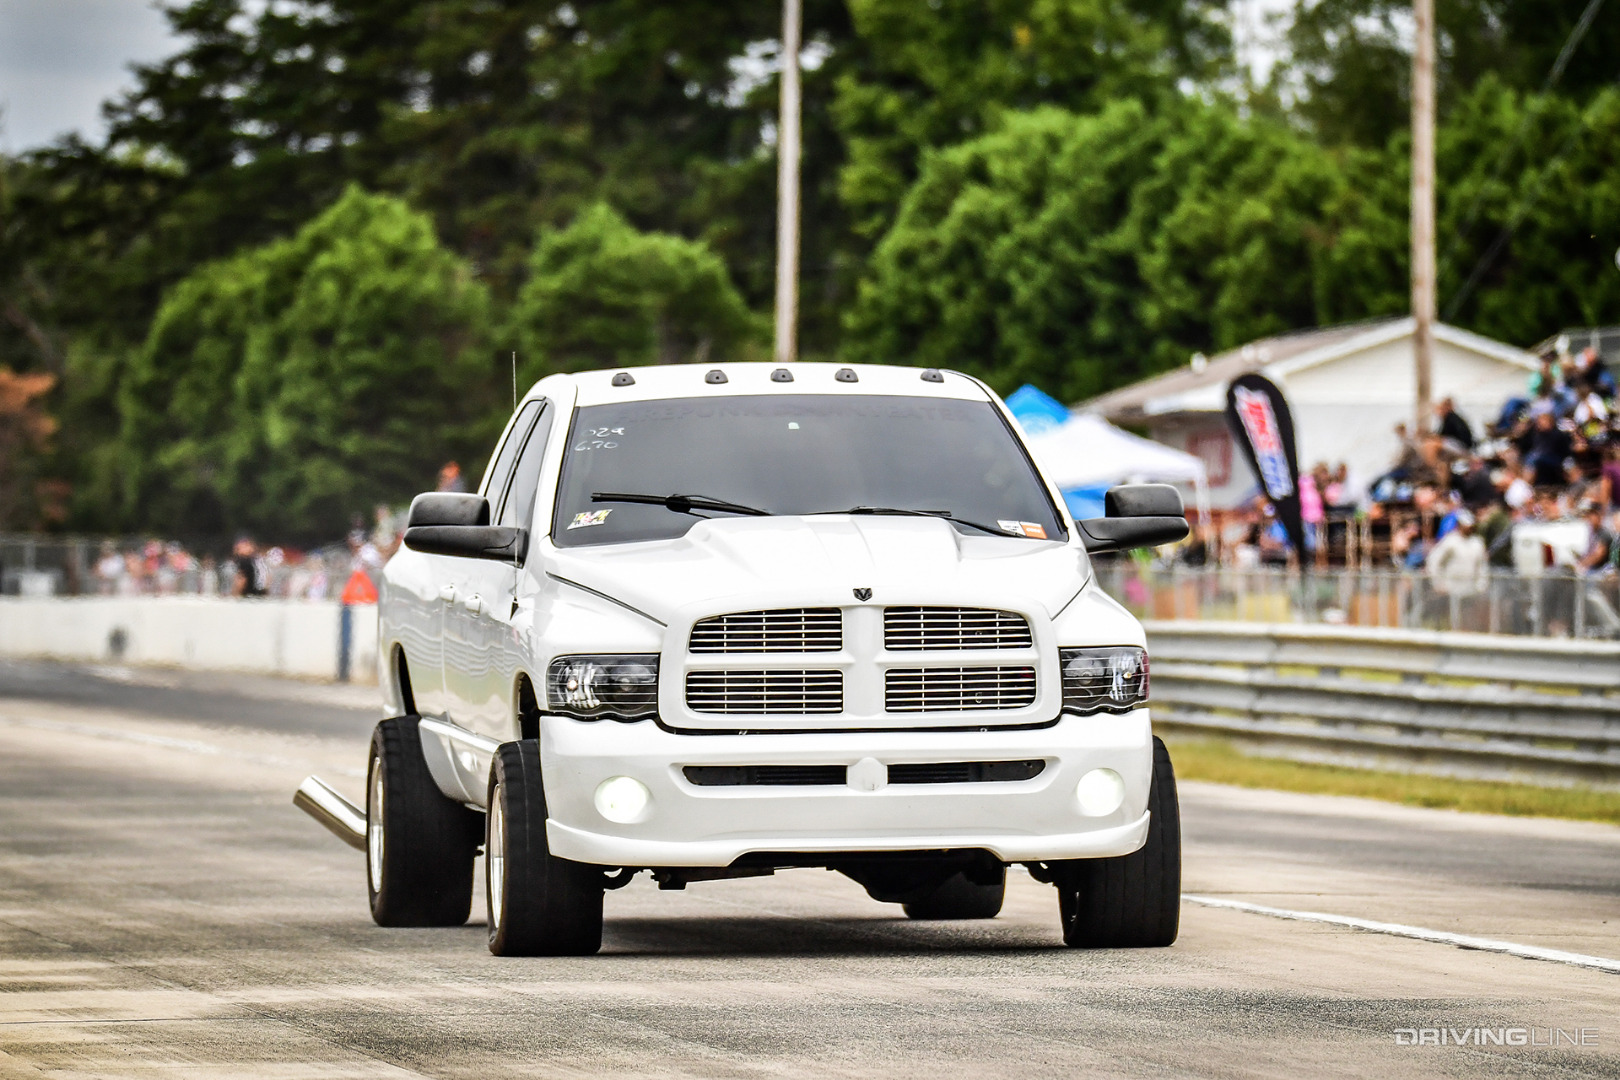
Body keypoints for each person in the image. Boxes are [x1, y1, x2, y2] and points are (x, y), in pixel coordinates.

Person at [1427, 509, 1487, 598]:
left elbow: (1482, 566)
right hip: (1449, 591)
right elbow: (1434, 560)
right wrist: (1437, 583)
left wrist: (1481, 586)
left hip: (1470, 591)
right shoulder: (1450, 540)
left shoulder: (1477, 543)